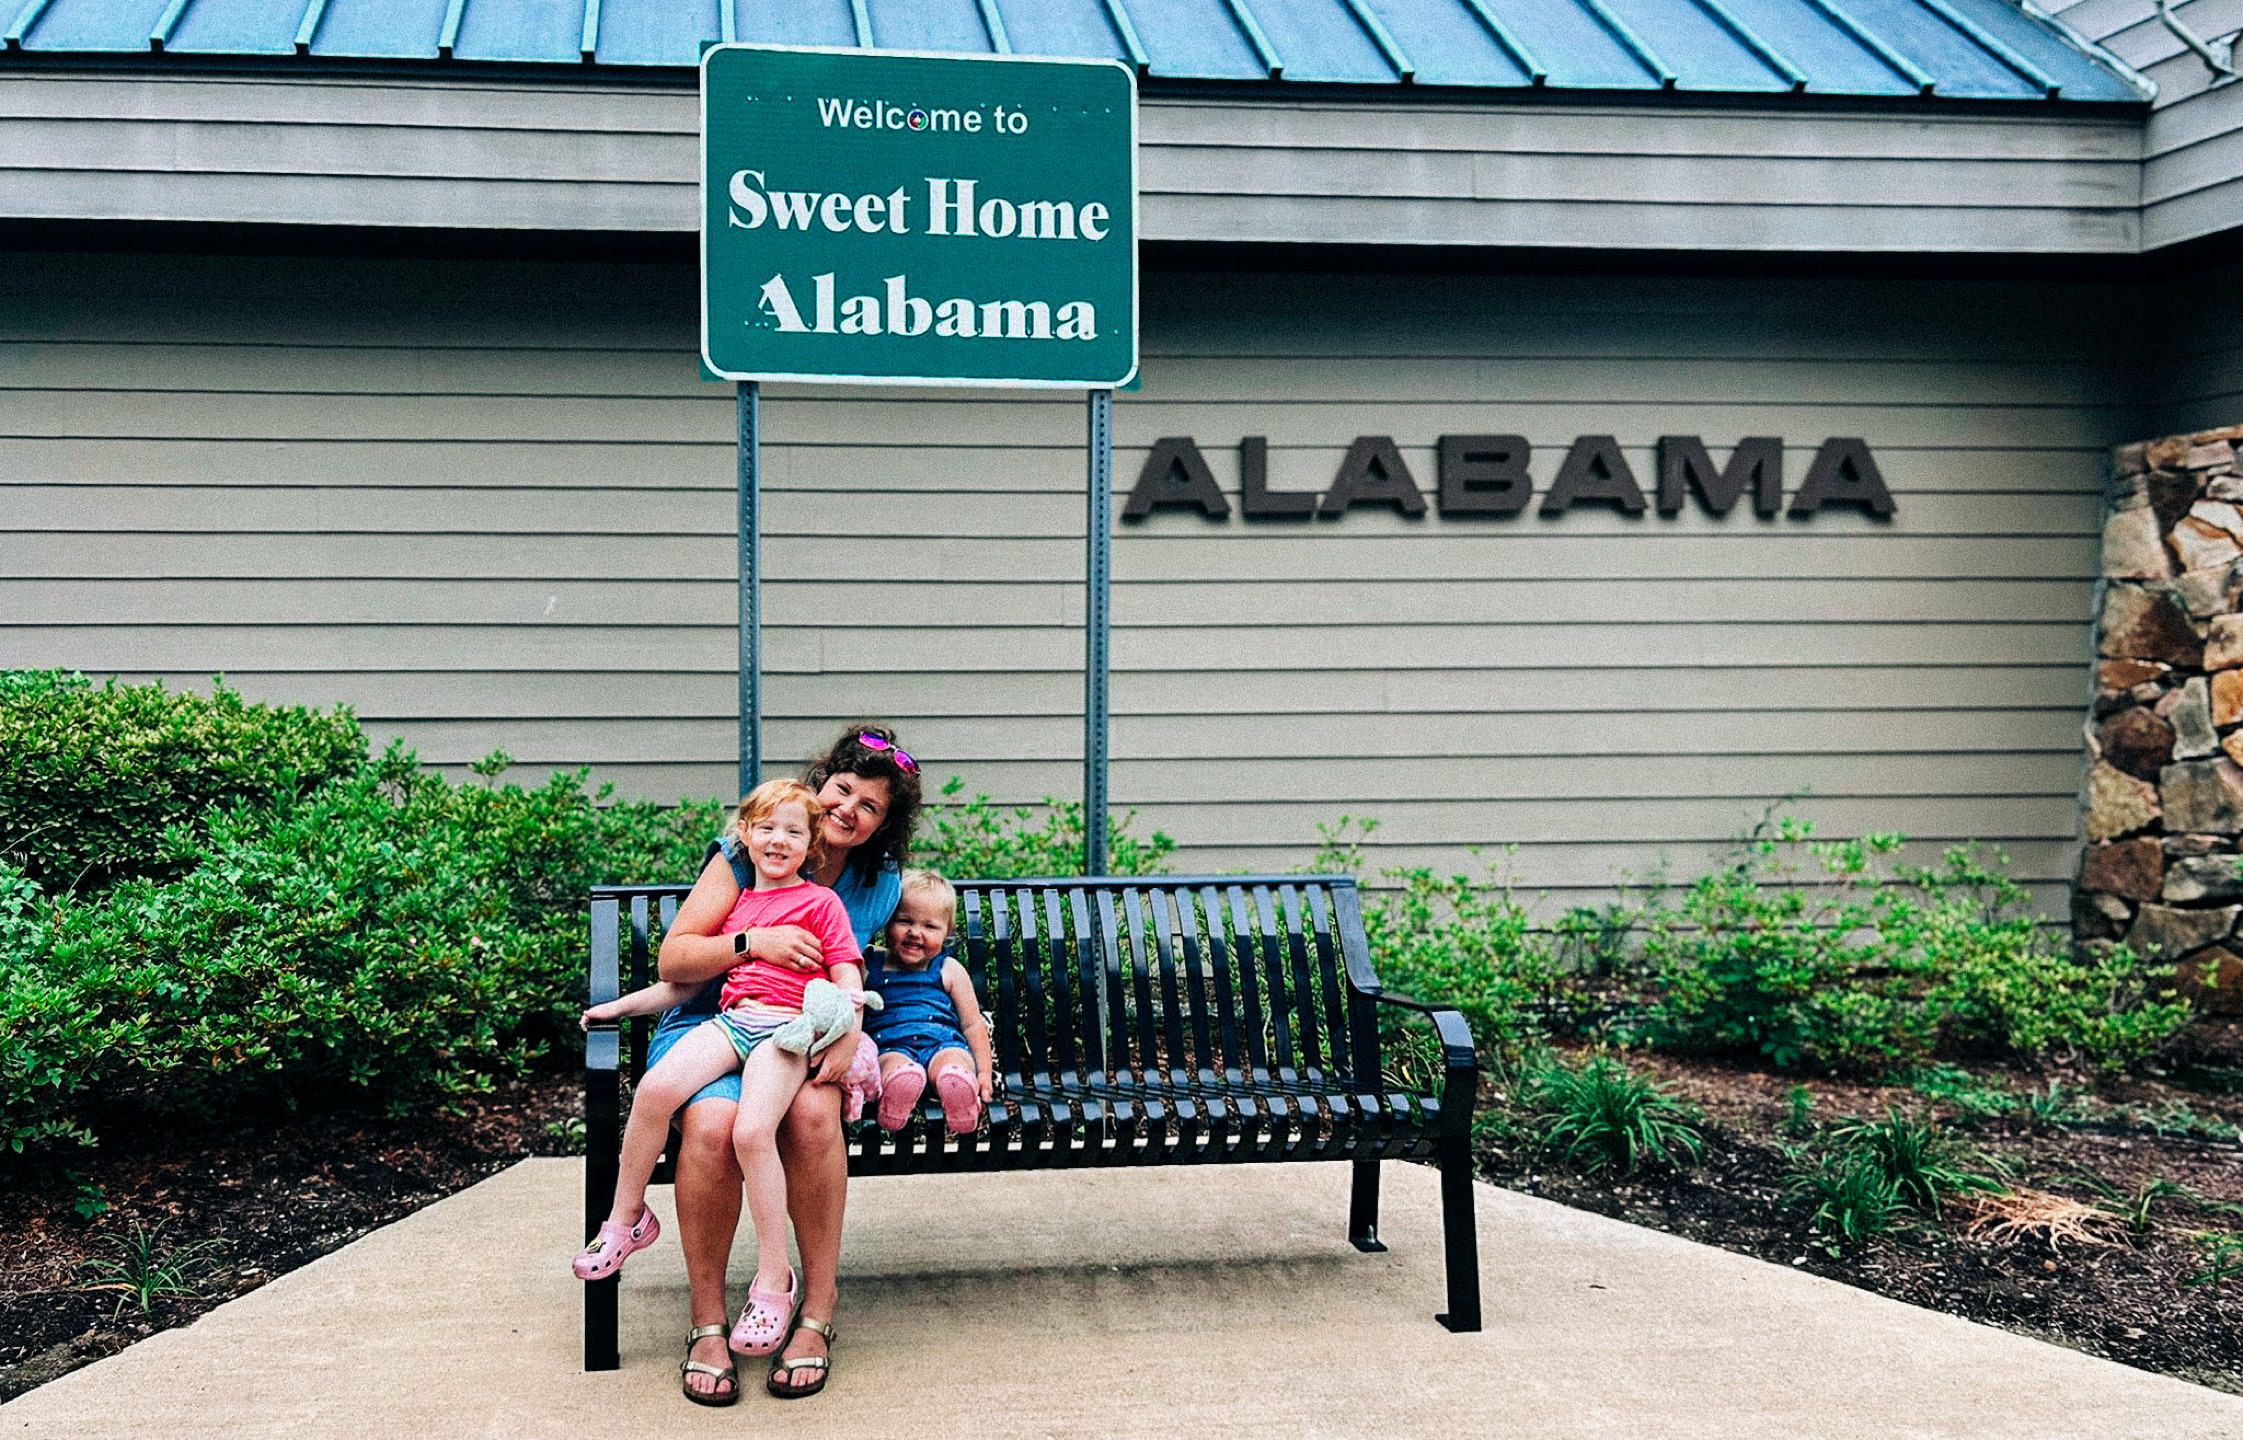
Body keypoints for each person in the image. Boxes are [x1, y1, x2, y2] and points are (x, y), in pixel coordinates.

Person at [651, 724, 922, 1404]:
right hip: (710, 1021)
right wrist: (753, 941)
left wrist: (848, 1030)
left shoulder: (875, 880)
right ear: (820, 783)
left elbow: (846, 969)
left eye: (870, 807)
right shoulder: (748, 850)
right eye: (842, 790)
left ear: (883, 825)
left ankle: (815, 1312)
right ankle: (707, 1322)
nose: (848, 811)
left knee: (811, 1116)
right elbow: (675, 959)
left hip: (798, 1032)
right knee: (713, 1125)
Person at [573, 779, 865, 1363]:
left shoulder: (820, 903)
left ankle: (773, 1280)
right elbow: (686, 981)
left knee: (751, 1133)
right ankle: (626, 1218)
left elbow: (847, 975)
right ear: (744, 836)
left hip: (785, 1034)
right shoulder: (738, 905)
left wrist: (846, 1031)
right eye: (767, 828)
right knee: (655, 1090)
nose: (778, 840)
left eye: (793, 832)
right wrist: (619, 1005)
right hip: (735, 1025)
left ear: (811, 847)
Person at [863, 870, 992, 1134]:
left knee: (954, 1064)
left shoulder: (949, 969)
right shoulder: (869, 966)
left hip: (943, 1045)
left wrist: (984, 1074)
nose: (915, 932)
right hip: (891, 1047)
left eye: (929, 926)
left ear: (947, 933)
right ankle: (895, 1099)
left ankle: (961, 1101)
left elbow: (972, 1025)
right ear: (887, 922)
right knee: (891, 1066)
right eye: (904, 921)